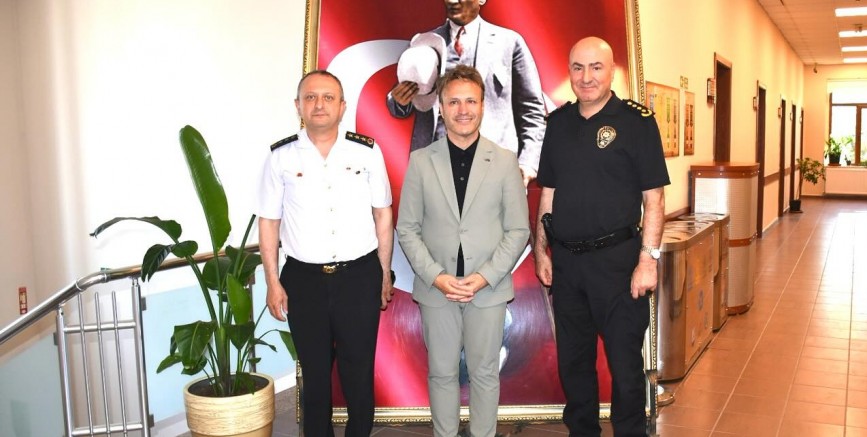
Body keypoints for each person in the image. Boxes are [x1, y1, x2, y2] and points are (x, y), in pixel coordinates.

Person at [533, 37, 670, 437]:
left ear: (612, 71)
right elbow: (548, 193)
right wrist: (541, 251)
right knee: (574, 363)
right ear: (569, 72)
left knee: (625, 367)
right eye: (578, 67)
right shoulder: (557, 124)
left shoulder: (637, 122)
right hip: (568, 265)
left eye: (596, 67)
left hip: (619, 264)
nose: (586, 77)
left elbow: (655, 199)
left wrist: (648, 260)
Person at [257, 70, 394, 437]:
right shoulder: (281, 156)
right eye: (311, 97)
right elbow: (269, 222)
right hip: (304, 280)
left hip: (358, 276)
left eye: (328, 97)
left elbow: (383, 214)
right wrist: (272, 282)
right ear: (298, 105)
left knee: (358, 371)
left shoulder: (366, 151)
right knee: (315, 375)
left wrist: (383, 273)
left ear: (342, 106)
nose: (319, 104)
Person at [396, 65, 530, 437]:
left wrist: (485, 276)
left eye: (471, 101)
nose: (463, 110)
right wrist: (436, 276)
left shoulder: (504, 161)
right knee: (441, 373)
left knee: (485, 373)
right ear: (440, 107)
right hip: (437, 289)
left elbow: (518, 230)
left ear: (483, 106)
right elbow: (407, 228)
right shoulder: (421, 161)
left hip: (487, 288)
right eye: (454, 102)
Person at [387, 0, 547, 186]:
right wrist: (399, 100)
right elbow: (401, 103)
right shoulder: (424, 43)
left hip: (494, 170)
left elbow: (531, 110)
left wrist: (528, 163)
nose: (452, 1)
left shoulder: (509, 42)